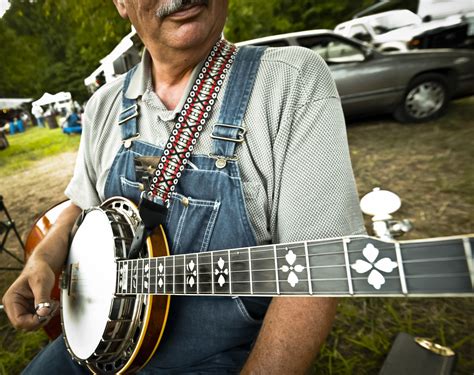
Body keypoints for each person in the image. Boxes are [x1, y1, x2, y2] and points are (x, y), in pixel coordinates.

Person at [2, 1, 365, 374]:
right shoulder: (103, 106)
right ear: (122, 4)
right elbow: (80, 206)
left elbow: (319, 271)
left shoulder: (291, 81)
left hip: (217, 358)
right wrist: (42, 259)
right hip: (100, 344)